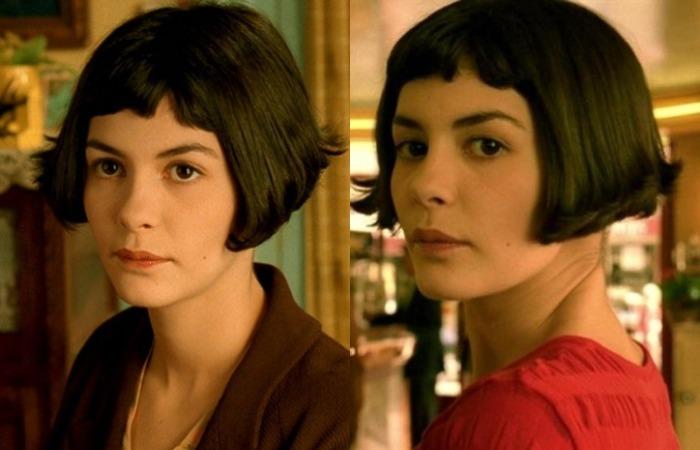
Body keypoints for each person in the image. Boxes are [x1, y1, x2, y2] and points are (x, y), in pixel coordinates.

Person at [353, 0, 681, 448]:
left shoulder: (515, 417)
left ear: (588, 157)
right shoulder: (630, 378)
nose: (426, 184)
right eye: (413, 147)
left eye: (487, 145)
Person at [38, 4, 352, 450]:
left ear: (260, 177)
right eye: (109, 166)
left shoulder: (335, 409)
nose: (132, 212)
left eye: (183, 170)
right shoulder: (106, 355)